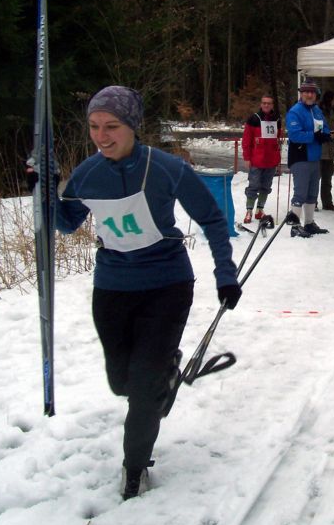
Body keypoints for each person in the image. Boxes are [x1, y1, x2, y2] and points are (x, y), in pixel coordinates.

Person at [55, 86, 241, 500]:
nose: (101, 136)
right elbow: (66, 222)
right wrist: (46, 189)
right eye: (94, 126)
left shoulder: (166, 168)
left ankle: (135, 467)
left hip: (166, 285)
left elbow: (212, 218)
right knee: (121, 382)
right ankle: (165, 373)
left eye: (111, 126)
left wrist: (225, 275)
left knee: (141, 388)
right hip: (112, 287)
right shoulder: (88, 173)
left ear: (133, 126)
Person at [285, 78, 331, 237]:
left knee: (312, 192)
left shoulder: (317, 110)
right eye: (306, 92)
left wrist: (325, 135)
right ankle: (295, 225)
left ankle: (309, 223)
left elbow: (325, 127)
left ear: (316, 94)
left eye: (312, 92)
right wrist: (314, 136)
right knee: (300, 192)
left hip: (314, 157)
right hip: (300, 157)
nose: (309, 95)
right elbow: (295, 135)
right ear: (301, 94)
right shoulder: (295, 111)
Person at [240, 95, 282, 223]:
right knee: (253, 185)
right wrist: (247, 157)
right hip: (256, 160)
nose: (266, 105)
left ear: (272, 105)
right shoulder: (253, 119)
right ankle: (249, 211)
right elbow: (246, 140)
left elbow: (277, 139)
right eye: (264, 103)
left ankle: (260, 209)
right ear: (261, 104)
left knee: (266, 186)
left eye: (269, 103)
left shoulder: (277, 119)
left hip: (271, 160)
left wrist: (278, 158)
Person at [318, 90, 334, 211]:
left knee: (327, 178)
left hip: (330, 149)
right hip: (320, 148)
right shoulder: (319, 111)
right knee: (316, 177)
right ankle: (312, 202)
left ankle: (327, 202)